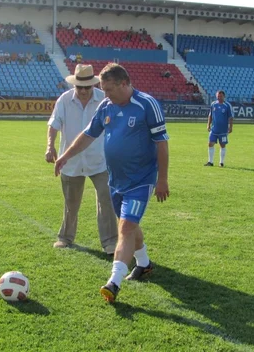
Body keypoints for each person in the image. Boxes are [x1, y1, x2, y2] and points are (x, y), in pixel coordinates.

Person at [54, 63, 169, 303]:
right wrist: (65, 156)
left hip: (141, 179)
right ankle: (144, 264)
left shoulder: (147, 105)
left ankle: (113, 282)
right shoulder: (107, 106)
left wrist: (162, 179)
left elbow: (162, 143)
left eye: (108, 90)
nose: (104, 95)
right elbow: (88, 135)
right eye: (103, 90)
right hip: (115, 180)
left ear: (124, 84)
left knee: (125, 228)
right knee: (130, 225)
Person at [46, 64, 118, 256]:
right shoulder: (64, 100)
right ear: (75, 85)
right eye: (80, 87)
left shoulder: (105, 100)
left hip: (100, 159)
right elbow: (54, 124)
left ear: (94, 85)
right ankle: (65, 237)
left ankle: (110, 242)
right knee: (71, 202)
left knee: (106, 200)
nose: (84, 91)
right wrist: (50, 146)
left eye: (88, 87)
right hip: (71, 161)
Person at [205, 90, 234, 167]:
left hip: (223, 130)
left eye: (220, 96)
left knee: (222, 145)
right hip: (214, 129)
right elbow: (210, 115)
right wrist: (208, 125)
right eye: (218, 96)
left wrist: (230, 127)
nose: (219, 97)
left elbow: (231, 117)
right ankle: (210, 162)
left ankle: (221, 162)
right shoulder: (213, 104)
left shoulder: (227, 105)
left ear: (224, 96)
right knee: (210, 144)